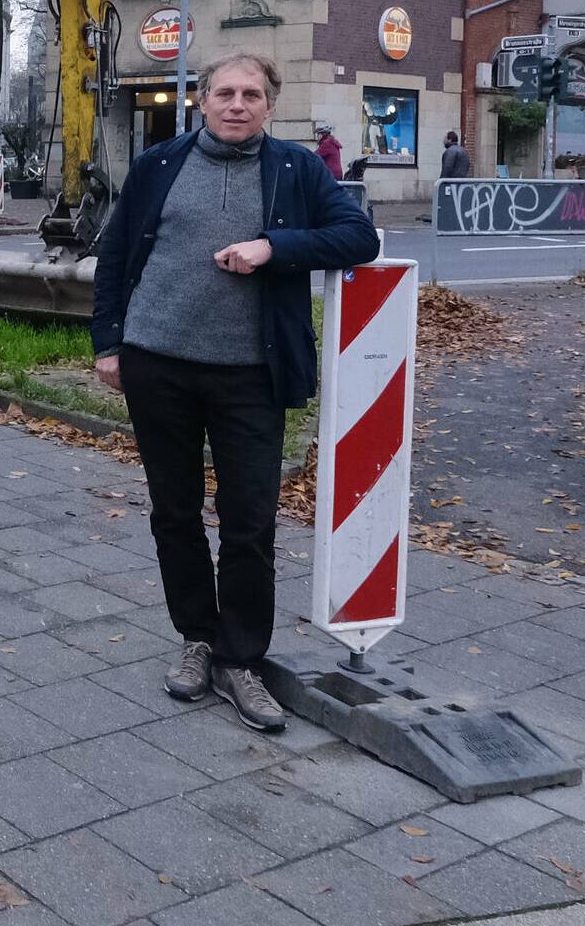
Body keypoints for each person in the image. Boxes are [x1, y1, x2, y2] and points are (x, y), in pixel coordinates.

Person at [91, 52, 378, 731]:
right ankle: (196, 636)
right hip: (158, 362)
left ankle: (239, 658)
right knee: (176, 510)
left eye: (252, 93)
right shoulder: (160, 164)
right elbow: (115, 253)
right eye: (225, 92)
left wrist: (272, 248)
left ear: (270, 105)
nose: (238, 103)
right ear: (201, 100)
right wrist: (108, 342)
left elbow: (357, 237)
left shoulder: (296, 169)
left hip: (252, 372)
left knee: (249, 521)